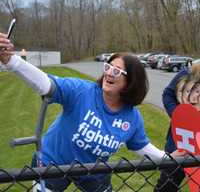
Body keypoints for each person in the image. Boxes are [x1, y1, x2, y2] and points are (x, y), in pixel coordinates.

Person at [0, 32, 184, 192]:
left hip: (93, 170)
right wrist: (11, 60)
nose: (109, 73)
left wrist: (166, 158)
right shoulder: (82, 91)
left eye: (117, 71)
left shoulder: (132, 117)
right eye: (108, 67)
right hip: (52, 163)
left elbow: (141, 147)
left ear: (131, 82)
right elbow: (45, 83)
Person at [154, 63, 200, 192]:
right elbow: (168, 94)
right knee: (166, 186)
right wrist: (178, 115)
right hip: (180, 143)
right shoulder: (188, 73)